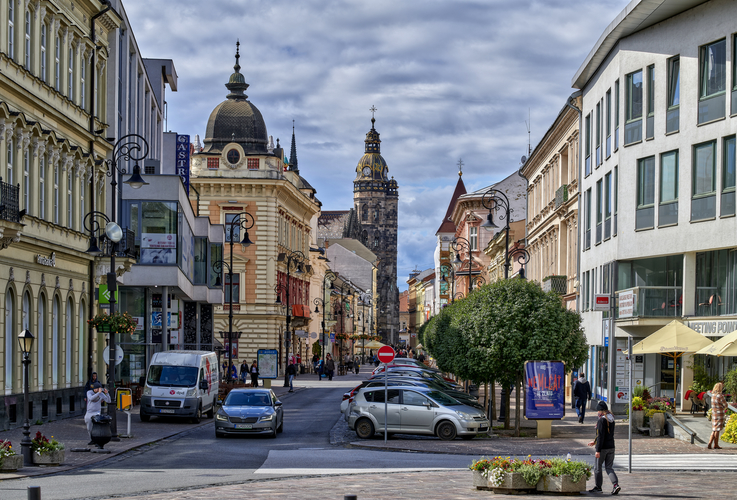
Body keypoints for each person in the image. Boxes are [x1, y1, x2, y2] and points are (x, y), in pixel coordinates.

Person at [587, 401, 620, 495]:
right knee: (609, 467)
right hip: (611, 447)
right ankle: (615, 485)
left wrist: (598, 450)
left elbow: (601, 435)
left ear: (600, 411)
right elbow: (606, 434)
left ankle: (598, 487)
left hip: (603, 448)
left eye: (598, 411)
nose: (597, 413)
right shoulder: (611, 418)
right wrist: (594, 441)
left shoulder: (602, 420)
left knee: (597, 468)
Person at [709, 382, 728, 449]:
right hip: (720, 413)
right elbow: (725, 405)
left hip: (714, 413)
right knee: (717, 429)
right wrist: (724, 407)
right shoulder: (720, 396)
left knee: (714, 429)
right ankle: (716, 444)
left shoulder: (713, 395)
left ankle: (710, 443)